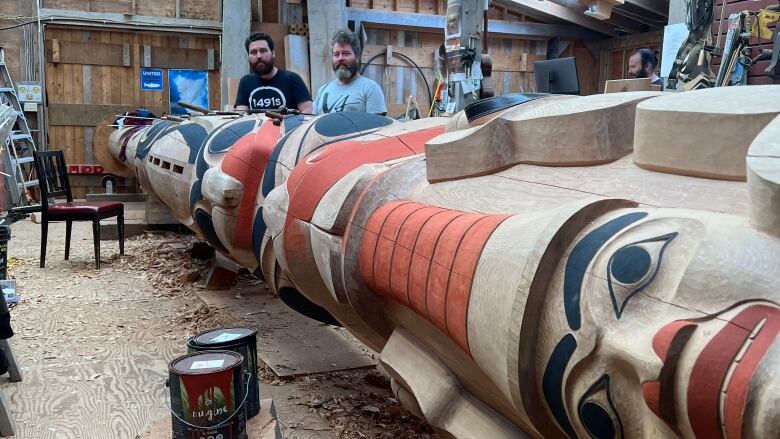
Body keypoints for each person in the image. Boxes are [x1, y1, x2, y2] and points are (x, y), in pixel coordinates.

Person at [313, 28, 387, 115]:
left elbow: (379, 126)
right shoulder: (322, 91)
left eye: (345, 53)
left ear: (357, 57)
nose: (340, 58)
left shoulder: (370, 89)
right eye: (336, 54)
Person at [235, 32, 312, 113]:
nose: (258, 56)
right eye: (253, 52)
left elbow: (307, 111)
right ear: (248, 56)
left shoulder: (292, 79)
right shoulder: (246, 82)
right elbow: (240, 115)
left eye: (263, 51)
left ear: (273, 53)